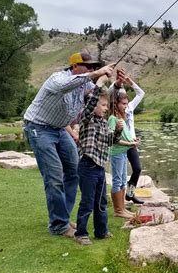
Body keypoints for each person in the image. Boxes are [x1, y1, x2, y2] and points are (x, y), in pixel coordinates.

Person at [23, 52, 115, 238]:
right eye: (88, 66)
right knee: (54, 175)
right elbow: (69, 85)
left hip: (59, 129)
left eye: (93, 67)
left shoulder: (85, 84)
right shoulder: (57, 79)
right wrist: (95, 75)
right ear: (74, 66)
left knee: (73, 171)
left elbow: (99, 95)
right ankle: (58, 225)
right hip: (39, 128)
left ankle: (62, 217)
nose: (91, 69)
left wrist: (115, 82)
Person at [74, 75, 123, 245]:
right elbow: (88, 107)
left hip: (100, 168)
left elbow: (112, 141)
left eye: (106, 105)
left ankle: (101, 231)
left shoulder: (103, 123)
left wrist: (117, 130)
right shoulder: (86, 119)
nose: (106, 108)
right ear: (93, 104)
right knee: (87, 202)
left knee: (101, 201)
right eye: (103, 105)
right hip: (87, 166)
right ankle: (81, 233)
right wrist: (99, 85)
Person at [109, 71, 145, 204]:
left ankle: (130, 194)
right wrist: (117, 82)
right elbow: (110, 92)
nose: (125, 104)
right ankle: (119, 203)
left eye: (126, 101)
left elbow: (141, 93)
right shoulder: (114, 114)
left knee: (137, 169)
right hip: (121, 143)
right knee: (119, 175)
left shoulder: (130, 107)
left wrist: (130, 82)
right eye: (122, 101)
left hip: (131, 142)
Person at [108, 89, 140, 218]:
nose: (125, 106)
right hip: (117, 153)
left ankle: (122, 209)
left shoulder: (122, 118)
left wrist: (133, 140)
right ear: (115, 104)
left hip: (123, 153)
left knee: (122, 181)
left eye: (126, 104)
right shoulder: (112, 119)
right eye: (123, 104)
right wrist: (129, 144)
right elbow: (112, 140)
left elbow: (125, 136)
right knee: (117, 181)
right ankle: (118, 210)